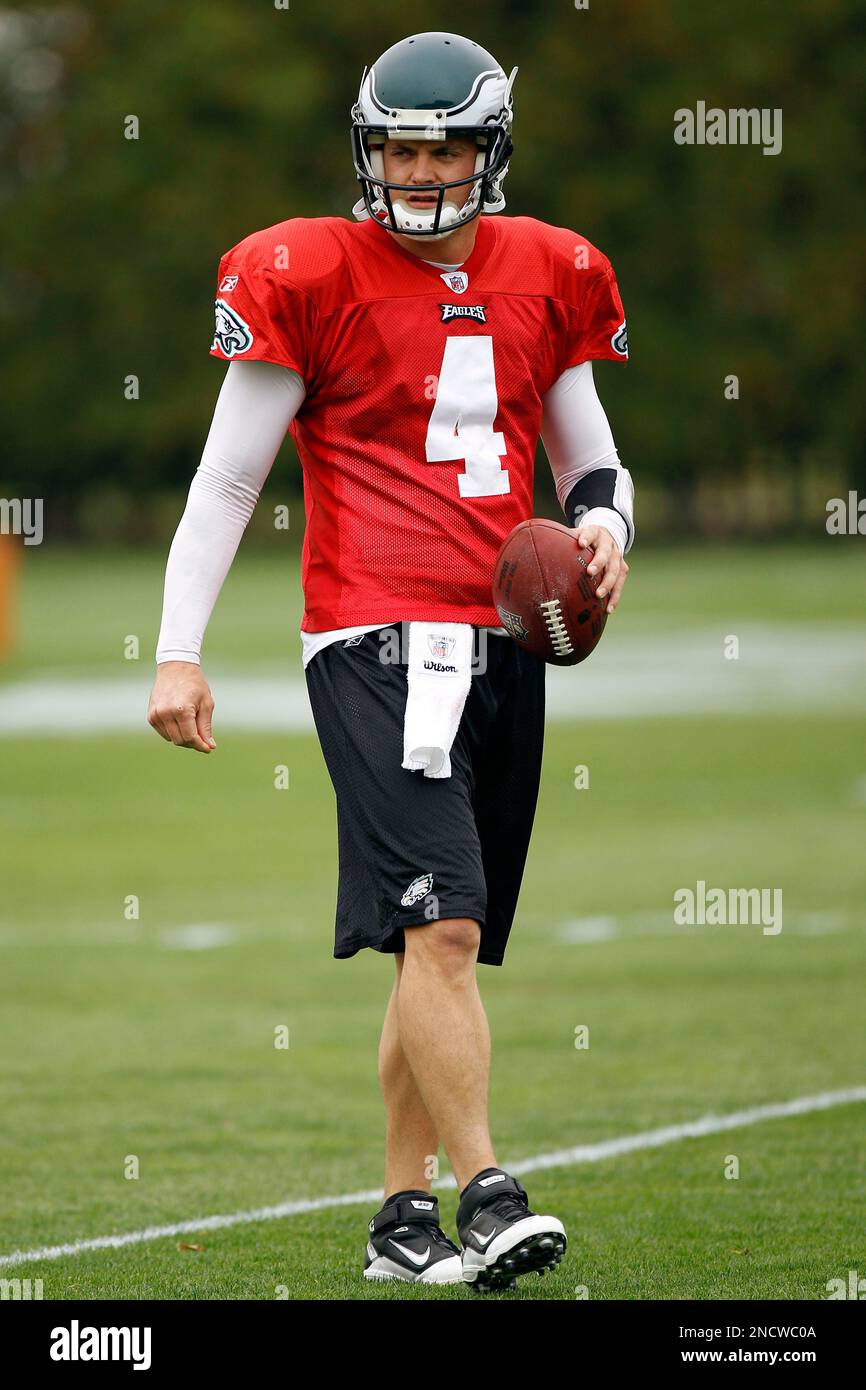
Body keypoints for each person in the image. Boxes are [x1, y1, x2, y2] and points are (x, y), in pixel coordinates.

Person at [147, 30, 634, 1291]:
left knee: (432, 944)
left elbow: (589, 458)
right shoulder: (305, 267)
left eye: (445, 149)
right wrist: (177, 654)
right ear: (369, 149)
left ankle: (396, 1219)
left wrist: (604, 526)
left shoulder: (551, 268)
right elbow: (228, 479)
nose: (419, 174)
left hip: (501, 641)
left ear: (492, 152)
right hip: (371, 633)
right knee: (450, 927)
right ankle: (485, 1190)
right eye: (401, 148)